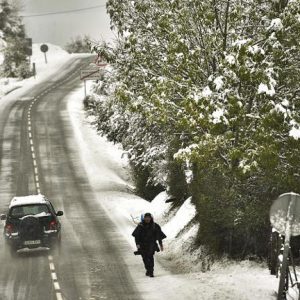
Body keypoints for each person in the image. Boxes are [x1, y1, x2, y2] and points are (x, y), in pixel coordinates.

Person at [132, 213, 166, 277]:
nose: (147, 219)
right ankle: (148, 270)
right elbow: (136, 236)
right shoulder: (140, 226)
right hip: (142, 245)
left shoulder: (155, 226)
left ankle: (151, 271)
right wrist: (137, 244)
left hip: (151, 244)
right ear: (144, 218)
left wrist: (161, 244)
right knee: (145, 258)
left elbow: (159, 236)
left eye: (148, 217)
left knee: (150, 257)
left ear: (151, 218)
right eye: (146, 217)